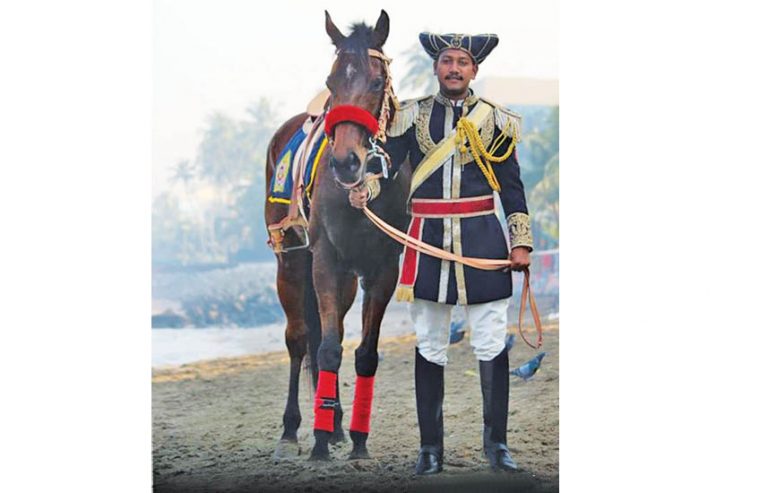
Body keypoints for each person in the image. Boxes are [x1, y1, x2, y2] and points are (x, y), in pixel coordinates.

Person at [349, 32, 532, 474]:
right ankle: (430, 450)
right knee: (430, 345)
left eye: (462, 63)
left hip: (483, 239)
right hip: (426, 240)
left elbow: (510, 185)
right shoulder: (409, 117)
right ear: (436, 68)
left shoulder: (497, 120)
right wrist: (366, 188)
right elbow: (385, 164)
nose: (453, 68)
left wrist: (520, 240)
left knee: (491, 342)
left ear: (474, 70)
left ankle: (497, 447)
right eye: (447, 61)